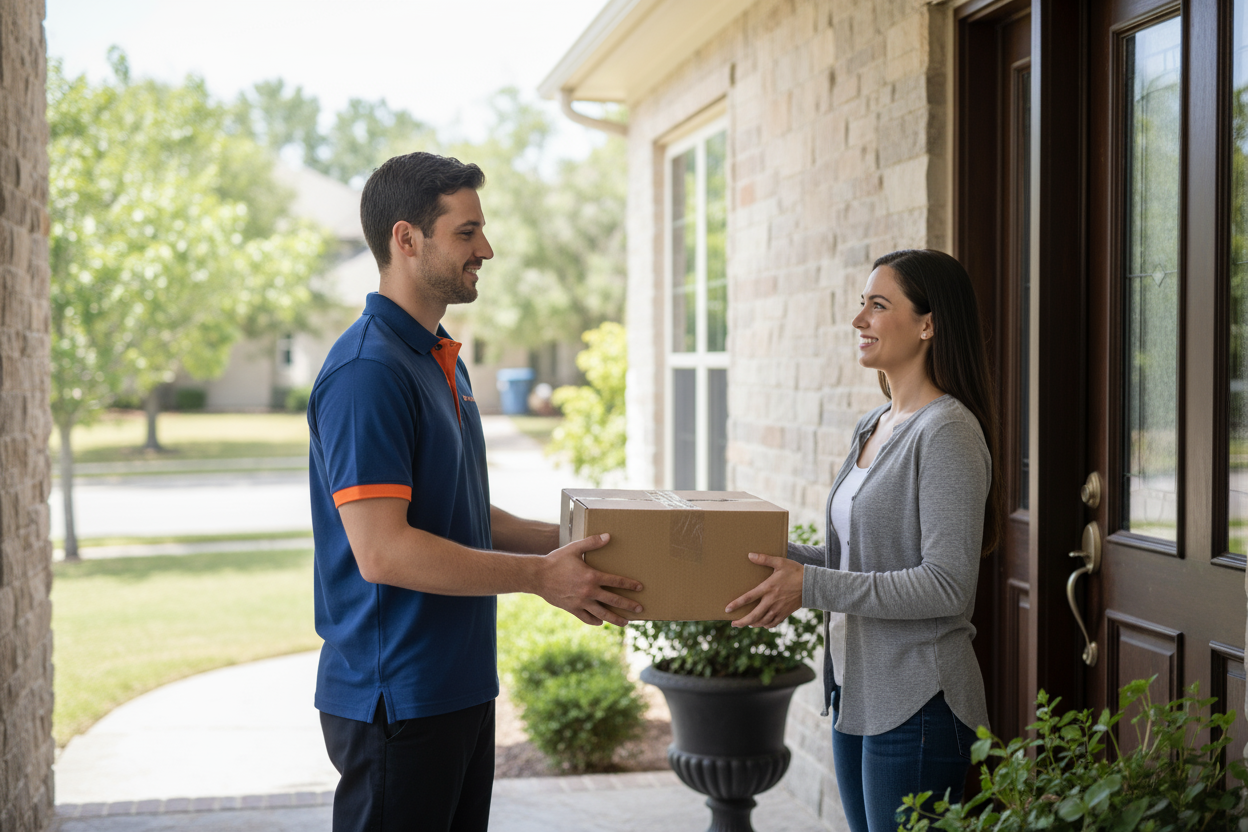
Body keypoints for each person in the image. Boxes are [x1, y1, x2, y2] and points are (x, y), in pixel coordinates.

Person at [308, 151, 644, 832]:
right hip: (395, 698)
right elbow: (384, 552)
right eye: (466, 233)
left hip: (456, 687)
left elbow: (462, 516)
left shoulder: (438, 360)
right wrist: (539, 579)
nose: (485, 248)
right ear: (407, 239)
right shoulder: (369, 371)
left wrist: (597, 543)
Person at [725, 249, 1003, 832]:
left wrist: (811, 585)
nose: (859, 321)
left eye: (879, 305)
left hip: (920, 703)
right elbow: (859, 561)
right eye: (862, 305)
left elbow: (947, 585)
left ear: (928, 324)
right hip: (857, 693)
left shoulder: (948, 430)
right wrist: (775, 562)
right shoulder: (873, 425)